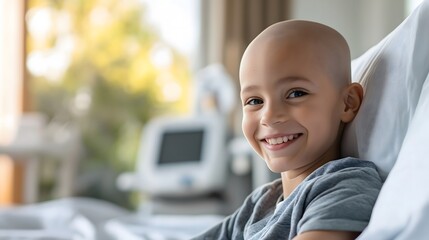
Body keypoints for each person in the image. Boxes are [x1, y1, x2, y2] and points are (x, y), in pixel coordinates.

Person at [192, 20, 382, 240]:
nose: (269, 116)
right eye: (254, 100)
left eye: (295, 93)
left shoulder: (346, 186)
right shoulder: (260, 204)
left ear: (348, 103)